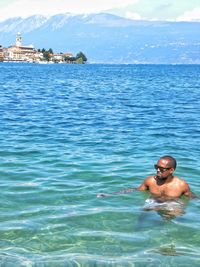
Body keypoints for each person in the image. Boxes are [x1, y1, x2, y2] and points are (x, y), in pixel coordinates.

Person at [97, 156, 193, 199]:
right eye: (156, 167)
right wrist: (110, 194)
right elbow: (135, 190)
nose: (158, 170)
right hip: (153, 203)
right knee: (142, 220)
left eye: (162, 169)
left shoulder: (181, 185)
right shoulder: (150, 181)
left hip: (173, 206)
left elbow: (192, 198)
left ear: (171, 170)